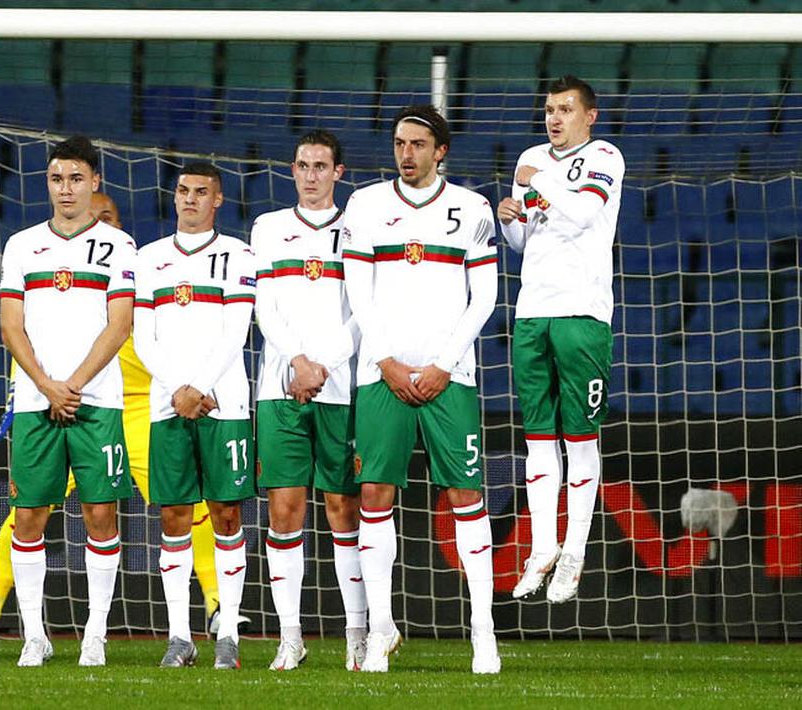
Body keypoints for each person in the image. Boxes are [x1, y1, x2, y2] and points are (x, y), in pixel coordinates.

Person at [0, 192, 234, 645]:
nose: (96, 226)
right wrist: (25, 396)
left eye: (107, 217)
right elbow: (27, 336)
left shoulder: (138, 275)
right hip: (68, 403)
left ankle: (215, 606)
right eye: (94, 215)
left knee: (182, 502)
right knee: (28, 509)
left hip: (140, 408)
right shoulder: (56, 279)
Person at [342, 105, 501, 674]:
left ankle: (484, 633)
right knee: (375, 496)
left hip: (450, 377)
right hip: (380, 375)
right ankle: (381, 630)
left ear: (441, 152)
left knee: (465, 497)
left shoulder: (472, 208)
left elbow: (483, 296)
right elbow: (358, 289)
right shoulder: (365, 206)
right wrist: (385, 361)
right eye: (398, 143)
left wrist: (442, 362)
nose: (405, 153)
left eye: (417, 143)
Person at [0, 136, 136, 667]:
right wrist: (48, 386)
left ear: (94, 182)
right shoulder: (22, 245)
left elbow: (120, 324)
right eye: (57, 178)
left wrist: (72, 384)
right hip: (36, 401)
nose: (66, 189)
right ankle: (35, 634)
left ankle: (94, 634)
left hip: (97, 401)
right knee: (28, 516)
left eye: (76, 178)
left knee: (101, 513)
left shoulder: (119, 247)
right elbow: (12, 327)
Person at [498, 76, 623, 605]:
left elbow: (582, 213)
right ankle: (542, 548)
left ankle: (575, 550)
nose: (554, 118)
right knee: (538, 440)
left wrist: (537, 182)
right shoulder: (532, 156)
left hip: (582, 315)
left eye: (565, 109)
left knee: (580, 439)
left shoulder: (605, 156)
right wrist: (509, 221)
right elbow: (530, 237)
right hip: (532, 313)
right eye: (549, 109)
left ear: (589, 115)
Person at [251, 130, 366, 671]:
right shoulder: (269, 228)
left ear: (338, 172)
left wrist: (322, 365)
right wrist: (297, 361)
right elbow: (264, 307)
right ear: (291, 170)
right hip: (281, 387)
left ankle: (357, 633)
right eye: (303, 165)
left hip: (341, 388)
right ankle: (290, 635)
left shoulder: (358, 228)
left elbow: (363, 309)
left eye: (322, 165)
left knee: (345, 509)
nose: (311, 174)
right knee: (284, 509)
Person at [134, 163, 256, 670]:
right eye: (183, 191)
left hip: (224, 402)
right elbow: (143, 336)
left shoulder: (239, 255)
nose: (189, 199)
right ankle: (179, 636)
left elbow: (238, 329)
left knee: (227, 514)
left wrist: (199, 388)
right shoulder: (149, 259)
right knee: (173, 517)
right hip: (169, 404)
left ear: (218, 200)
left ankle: (227, 631)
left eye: (200, 192)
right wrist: (179, 390)